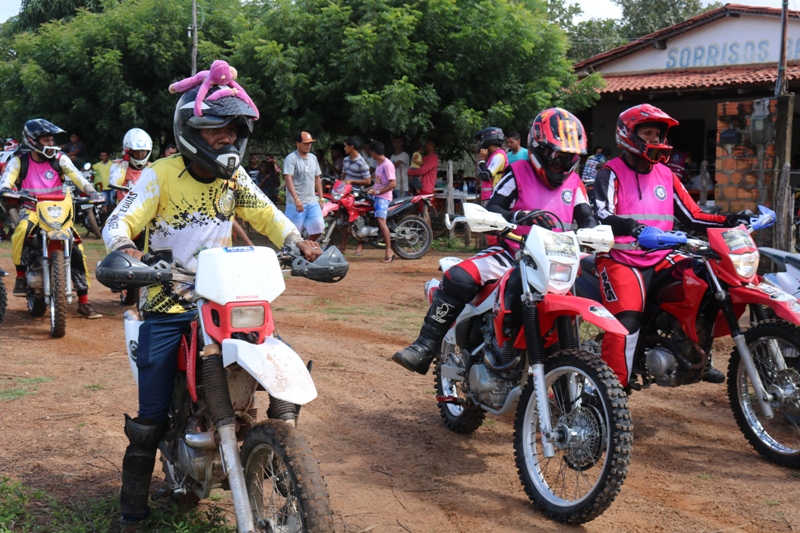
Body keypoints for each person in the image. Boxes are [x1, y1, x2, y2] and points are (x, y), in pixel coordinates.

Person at [101, 63, 322, 532]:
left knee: (285, 363)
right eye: (215, 130)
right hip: (169, 303)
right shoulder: (160, 175)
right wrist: (124, 250)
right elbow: (119, 222)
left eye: (233, 130)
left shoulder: (234, 179)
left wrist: (297, 242)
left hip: (225, 299)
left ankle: (282, 452)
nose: (226, 139)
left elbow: (266, 215)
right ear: (189, 131)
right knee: (150, 420)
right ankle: (132, 514)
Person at [392, 108, 596, 374]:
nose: (562, 164)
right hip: (513, 253)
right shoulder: (517, 172)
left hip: (559, 260)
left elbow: (587, 217)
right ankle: (424, 346)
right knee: (459, 277)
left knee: (600, 273)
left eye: (569, 158)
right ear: (539, 148)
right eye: (557, 156)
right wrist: (520, 216)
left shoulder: (575, 182)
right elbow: (494, 208)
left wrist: (595, 233)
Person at [593, 104, 752, 388]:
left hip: (664, 256)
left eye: (658, 134)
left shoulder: (666, 175)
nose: (655, 139)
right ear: (628, 134)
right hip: (622, 258)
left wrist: (730, 219)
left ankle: (696, 357)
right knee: (626, 324)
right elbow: (603, 213)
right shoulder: (611, 172)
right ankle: (610, 391)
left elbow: (693, 216)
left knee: (706, 284)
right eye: (648, 132)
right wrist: (633, 228)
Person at [0, 119, 104, 319]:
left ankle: (84, 301)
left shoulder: (60, 159)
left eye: (51, 140)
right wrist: (6, 189)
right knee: (21, 231)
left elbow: (78, 177)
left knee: (77, 250)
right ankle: (21, 277)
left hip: (59, 212)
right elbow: (7, 180)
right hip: (32, 210)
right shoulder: (19, 160)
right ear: (32, 141)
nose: (51, 144)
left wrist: (91, 192)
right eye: (46, 140)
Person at [284, 131, 324, 241]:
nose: (308, 145)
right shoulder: (291, 158)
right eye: (306, 143)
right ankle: (292, 253)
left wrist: (321, 198)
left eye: (310, 143)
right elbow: (288, 178)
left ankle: (307, 245)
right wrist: (296, 199)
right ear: (298, 144)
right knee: (293, 234)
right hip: (295, 203)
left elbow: (317, 178)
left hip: (312, 201)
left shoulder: (313, 158)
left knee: (319, 228)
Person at [362, 141, 396, 262]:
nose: (370, 154)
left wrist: (378, 192)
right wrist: (368, 189)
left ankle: (389, 250)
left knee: (381, 221)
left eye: (370, 152)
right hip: (376, 195)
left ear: (374, 153)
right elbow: (378, 183)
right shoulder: (379, 164)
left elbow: (393, 183)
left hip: (383, 197)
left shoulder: (387, 165)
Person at [110, 128, 153, 203]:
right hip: (124, 209)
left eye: (143, 151)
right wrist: (125, 163)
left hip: (146, 208)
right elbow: (115, 183)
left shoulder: (153, 168)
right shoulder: (117, 166)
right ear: (129, 151)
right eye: (136, 151)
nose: (140, 154)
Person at [475, 126, 508, 203]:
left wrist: (481, 160)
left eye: (481, 139)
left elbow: (485, 176)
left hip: (493, 197)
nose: (480, 142)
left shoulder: (498, 156)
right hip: (488, 197)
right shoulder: (493, 156)